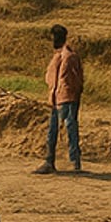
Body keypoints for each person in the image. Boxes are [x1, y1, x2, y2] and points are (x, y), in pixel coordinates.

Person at [34, 24, 83, 175]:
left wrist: (71, 96)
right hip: (57, 98)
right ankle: (53, 161)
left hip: (66, 98)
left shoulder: (69, 56)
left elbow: (75, 80)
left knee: (69, 128)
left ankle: (73, 162)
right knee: (54, 130)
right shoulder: (60, 55)